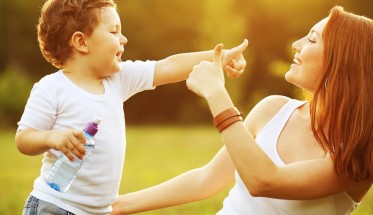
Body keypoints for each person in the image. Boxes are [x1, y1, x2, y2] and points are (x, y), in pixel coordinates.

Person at [111, 6, 373, 215]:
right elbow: (207, 179)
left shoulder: (357, 153)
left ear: (342, 62)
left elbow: (263, 182)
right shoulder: (274, 110)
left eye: (312, 40)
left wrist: (217, 94)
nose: (297, 44)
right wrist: (119, 206)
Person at [15, 0, 248, 214]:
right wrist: (52, 138)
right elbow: (24, 139)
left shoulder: (118, 79)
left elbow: (168, 66)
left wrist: (222, 56)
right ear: (81, 42)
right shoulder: (51, 88)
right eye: (114, 31)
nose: (123, 39)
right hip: (53, 206)